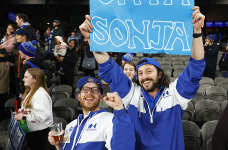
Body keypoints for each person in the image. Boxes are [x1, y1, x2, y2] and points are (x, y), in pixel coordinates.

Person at [79, 6, 205, 149]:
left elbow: (196, 67)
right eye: (140, 73)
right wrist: (92, 39)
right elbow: (109, 68)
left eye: (149, 71)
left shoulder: (175, 94)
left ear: (160, 74)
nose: (144, 76)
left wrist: (196, 32)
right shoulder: (132, 94)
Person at [48, 76, 135, 150]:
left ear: (101, 97)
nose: (89, 93)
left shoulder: (111, 120)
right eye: (85, 90)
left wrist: (119, 109)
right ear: (79, 96)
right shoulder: (71, 125)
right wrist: (58, 144)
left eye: (95, 90)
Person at [14, 68, 53, 150]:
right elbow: (31, 110)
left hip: (40, 135)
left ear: (34, 79)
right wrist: (21, 112)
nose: (23, 79)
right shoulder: (33, 91)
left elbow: (42, 116)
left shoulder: (40, 94)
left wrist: (24, 116)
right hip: (33, 132)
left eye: (26, 77)